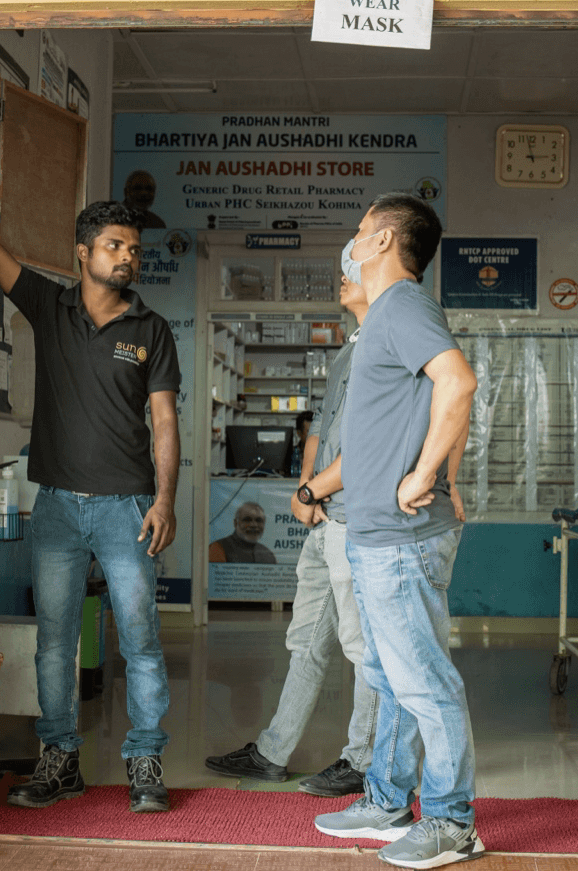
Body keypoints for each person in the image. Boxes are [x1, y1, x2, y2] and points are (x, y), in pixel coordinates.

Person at [0, 200, 180, 814]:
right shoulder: (47, 305)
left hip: (129, 508)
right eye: (115, 245)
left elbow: (164, 421)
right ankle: (59, 761)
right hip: (57, 507)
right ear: (82, 252)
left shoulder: (152, 329)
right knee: (55, 643)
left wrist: (165, 499)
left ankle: (144, 760)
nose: (128, 257)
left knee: (140, 640)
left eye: (134, 248)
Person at [313, 193, 481, 868]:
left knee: (424, 681)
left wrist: (425, 474)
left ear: (383, 240)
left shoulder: (405, 303)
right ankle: (387, 800)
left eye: (358, 232)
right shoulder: (384, 316)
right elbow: (437, 398)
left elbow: (459, 382)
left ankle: (450, 821)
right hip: (376, 533)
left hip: (403, 536)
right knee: (389, 676)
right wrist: (447, 471)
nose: (350, 244)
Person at [206, 276, 379, 798]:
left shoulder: (387, 344)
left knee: (363, 650)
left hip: (356, 520)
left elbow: (373, 445)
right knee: (305, 641)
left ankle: (364, 760)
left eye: (356, 266)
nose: (344, 276)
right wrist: (307, 491)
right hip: (325, 519)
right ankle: (272, 752)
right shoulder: (348, 352)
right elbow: (320, 430)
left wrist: (316, 494)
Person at [208, 501, 277, 564]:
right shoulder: (218, 548)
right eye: (247, 520)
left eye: (258, 520)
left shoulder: (268, 554)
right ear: (235, 523)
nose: (254, 525)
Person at [289, 410, 313, 478]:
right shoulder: (291, 454)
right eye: (309, 432)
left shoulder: (324, 455)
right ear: (299, 433)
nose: (314, 435)